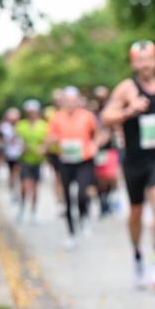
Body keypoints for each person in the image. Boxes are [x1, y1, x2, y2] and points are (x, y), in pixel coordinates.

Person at [101, 40, 155, 292]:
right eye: (140, 60)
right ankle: (137, 255)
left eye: (149, 59)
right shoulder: (126, 88)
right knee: (136, 211)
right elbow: (106, 117)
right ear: (134, 63)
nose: (145, 64)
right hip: (134, 159)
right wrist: (130, 110)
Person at [46, 87, 97, 250]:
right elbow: (49, 137)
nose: (70, 104)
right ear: (62, 102)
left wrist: (96, 144)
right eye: (67, 101)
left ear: (78, 101)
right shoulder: (56, 118)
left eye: (73, 100)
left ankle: (84, 217)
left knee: (82, 194)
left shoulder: (87, 116)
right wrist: (49, 142)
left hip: (84, 160)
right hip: (65, 161)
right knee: (67, 198)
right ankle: (71, 233)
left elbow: (98, 133)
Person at [15, 99, 49, 223]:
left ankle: (34, 212)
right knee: (24, 186)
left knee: (35, 188)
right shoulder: (21, 125)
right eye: (30, 112)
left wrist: (43, 148)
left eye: (34, 111)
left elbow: (47, 141)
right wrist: (21, 146)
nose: (32, 114)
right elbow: (16, 140)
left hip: (37, 161)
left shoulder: (43, 125)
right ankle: (22, 208)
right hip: (24, 160)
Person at [92, 85, 120, 217]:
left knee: (111, 176)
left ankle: (110, 198)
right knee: (100, 178)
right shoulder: (93, 113)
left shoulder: (112, 111)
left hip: (110, 148)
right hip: (98, 149)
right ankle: (102, 202)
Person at [0, 108, 23, 199]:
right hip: (9, 153)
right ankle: (12, 189)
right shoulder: (4, 127)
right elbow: (2, 140)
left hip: (20, 154)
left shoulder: (21, 126)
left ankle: (17, 190)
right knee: (11, 172)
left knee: (17, 172)